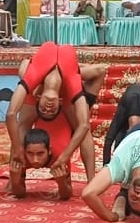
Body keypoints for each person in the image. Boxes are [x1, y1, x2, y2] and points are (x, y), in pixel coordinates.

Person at [6, 42, 96, 182]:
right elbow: (11, 114)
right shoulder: (69, 82)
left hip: (57, 79)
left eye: (47, 109)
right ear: (38, 97)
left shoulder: (69, 84)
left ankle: (92, 181)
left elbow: (84, 125)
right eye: (44, 109)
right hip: (47, 78)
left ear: (60, 101)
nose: (48, 107)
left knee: (85, 131)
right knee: (22, 124)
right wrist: (18, 150)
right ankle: (15, 181)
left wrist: (64, 157)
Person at [10, 128, 73, 200]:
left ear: (49, 150)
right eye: (30, 153)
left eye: (40, 154)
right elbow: (19, 194)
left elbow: (66, 196)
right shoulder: (21, 158)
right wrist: (14, 182)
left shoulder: (60, 158)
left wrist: (62, 183)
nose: (35, 160)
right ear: (24, 151)